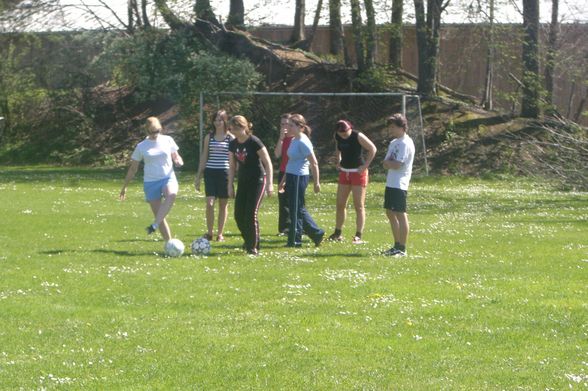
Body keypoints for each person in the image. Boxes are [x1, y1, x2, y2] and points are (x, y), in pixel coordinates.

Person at [120, 116, 184, 242]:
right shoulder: (141, 146)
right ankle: (169, 243)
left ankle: (154, 224)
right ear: (147, 131)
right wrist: (124, 187)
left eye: (157, 131)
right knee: (160, 216)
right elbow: (133, 169)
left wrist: (178, 161)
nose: (155, 134)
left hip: (167, 177)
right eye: (152, 132)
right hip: (150, 182)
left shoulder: (168, 140)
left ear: (160, 129)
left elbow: (176, 156)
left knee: (171, 195)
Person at [227, 115, 274, 256]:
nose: (233, 131)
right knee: (238, 215)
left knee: (250, 214)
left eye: (236, 128)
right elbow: (232, 166)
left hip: (258, 181)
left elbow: (268, 162)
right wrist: (230, 185)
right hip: (243, 181)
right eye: (231, 128)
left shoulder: (254, 142)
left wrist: (270, 184)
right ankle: (250, 240)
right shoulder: (233, 144)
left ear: (244, 127)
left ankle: (253, 247)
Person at [279, 113, 325, 248]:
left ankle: (295, 240)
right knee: (297, 208)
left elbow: (314, 163)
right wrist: (283, 180)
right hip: (292, 176)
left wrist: (317, 182)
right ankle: (316, 233)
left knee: (296, 209)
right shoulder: (294, 139)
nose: (288, 128)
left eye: (291, 125)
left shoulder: (303, 142)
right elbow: (290, 162)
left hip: (300, 177)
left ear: (301, 127)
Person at [328, 119, 377, 244]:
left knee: (358, 205)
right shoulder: (337, 136)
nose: (343, 135)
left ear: (350, 128)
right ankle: (337, 233)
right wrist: (338, 161)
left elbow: (372, 149)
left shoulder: (357, 136)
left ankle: (358, 235)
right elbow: (338, 149)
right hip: (345, 172)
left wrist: (365, 166)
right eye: (341, 133)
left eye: (345, 133)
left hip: (358, 172)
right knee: (340, 204)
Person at [194, 110, 234, 242]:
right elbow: (204, 156)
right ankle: (209, 233)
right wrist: (198, 176)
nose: (217, 122)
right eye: (215, 120)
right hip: (210, 172)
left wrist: (232, 175)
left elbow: (233, 159)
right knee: (210, 203)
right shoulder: (209, 137)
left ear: (225, 121)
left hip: (224, 173)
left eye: (220, 120)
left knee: (223, 204)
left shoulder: (230, 138)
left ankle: (220, 234)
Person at [382, 113, 415, 257]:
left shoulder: (405, 143)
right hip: (391, 182)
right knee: (390, 212)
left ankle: (402, 248)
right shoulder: (394, 142)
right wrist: (389, 164)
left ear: (402, 127)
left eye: (393, 127)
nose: (391, 130)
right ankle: (396, 245)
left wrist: (390, 164)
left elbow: (397, 164)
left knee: (400, 214)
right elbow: (385, 163)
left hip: (400, 184)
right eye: (390, 128)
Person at [273, 113, 293, 236]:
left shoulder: (297, 138)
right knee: (283, 201)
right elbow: (277, 154)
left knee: (294, 200)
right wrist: (281, 138)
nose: (285, 127)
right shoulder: (283, 139)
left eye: (287, 124)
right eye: (282, 124)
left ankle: (297, 226)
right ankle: (284, 228)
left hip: (294, 172)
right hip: (283, 171)